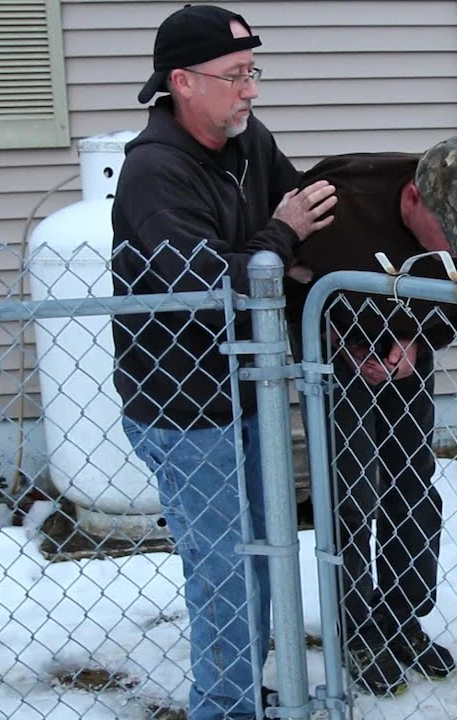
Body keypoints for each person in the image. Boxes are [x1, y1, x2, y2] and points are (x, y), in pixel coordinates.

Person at [109, 5, 337, 719]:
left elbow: (304, 221)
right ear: (182, 82)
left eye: (252, 72)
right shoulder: (154, 171)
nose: (251, 90)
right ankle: (226, 707)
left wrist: (287, 250)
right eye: (235, 75)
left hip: (250, 390)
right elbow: (204, 283)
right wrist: (277, 243)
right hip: (184, 410)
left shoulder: (248, 141)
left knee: (264, 554)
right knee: (224, 575)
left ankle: (244, 692)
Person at [284, 136, 457, 696]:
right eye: (453, 239)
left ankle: (401, 617)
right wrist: (340, 343)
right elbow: (282, 283)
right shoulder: (336, 205)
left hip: (410, 346)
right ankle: (355, 626)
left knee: (411, 481)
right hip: (335, 354)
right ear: (414, 200)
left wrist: (423, 339)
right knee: (349, 486)